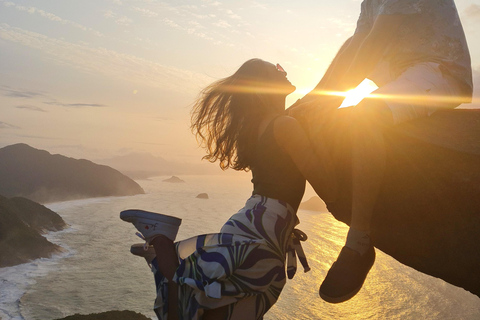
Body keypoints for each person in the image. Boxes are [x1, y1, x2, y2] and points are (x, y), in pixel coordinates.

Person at [121, 58, 338, 319]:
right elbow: (324, 179)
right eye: (277, 70)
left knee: (220, 304)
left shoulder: (259, 128)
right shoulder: (284, 125)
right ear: (261, 86)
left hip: (257, 220)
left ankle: (161, 248)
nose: (285, 71)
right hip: (265, 227)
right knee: (219, 296)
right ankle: (162, 244)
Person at [289, 0, 472, 304]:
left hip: (439, 68)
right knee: (352, 43)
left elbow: (377, 41)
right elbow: (359, 43)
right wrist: (313, 100)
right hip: (402, 68)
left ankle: (359, 242)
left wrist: (329, 102)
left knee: (365, 116)